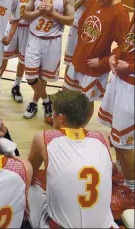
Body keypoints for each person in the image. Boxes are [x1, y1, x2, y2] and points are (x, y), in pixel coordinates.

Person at [27, 90, 118, 228]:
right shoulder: (102, 137)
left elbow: (30, 174)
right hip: (106, 226)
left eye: (53, 113)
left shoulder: (44, 138)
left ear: (61, 118)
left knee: (31, 187)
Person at [63, 0, 130, 124]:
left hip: (94, 68)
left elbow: (124, 48)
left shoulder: (120, 14)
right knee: (67, 95)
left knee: (85, 103)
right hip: (78, 59)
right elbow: (75, 19)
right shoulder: (92, 1)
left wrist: (103, 61)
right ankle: (66, 127)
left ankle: (80, 131)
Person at [22, 0, 74, 122]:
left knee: (43, 78)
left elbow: (70, 20)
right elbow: (25, 14)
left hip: (53, 41)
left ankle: (33, 102)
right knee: (30, 77)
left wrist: (53, 14)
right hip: (35, 38)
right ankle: (47, 101)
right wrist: (38, 12)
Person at [0, 0, 48, 103]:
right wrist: (8, 15)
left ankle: (16, 85)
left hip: (30, 27)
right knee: (4, 55)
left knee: (22, 59)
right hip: (14, 24)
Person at [99, 15, 134, 211]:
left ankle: (132, 192)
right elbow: (128, 43)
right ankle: (122, 173)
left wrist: (129, 66)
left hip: (132, 87)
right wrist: (115, 54)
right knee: (117, 135)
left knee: (123, 142)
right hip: (122, 82)